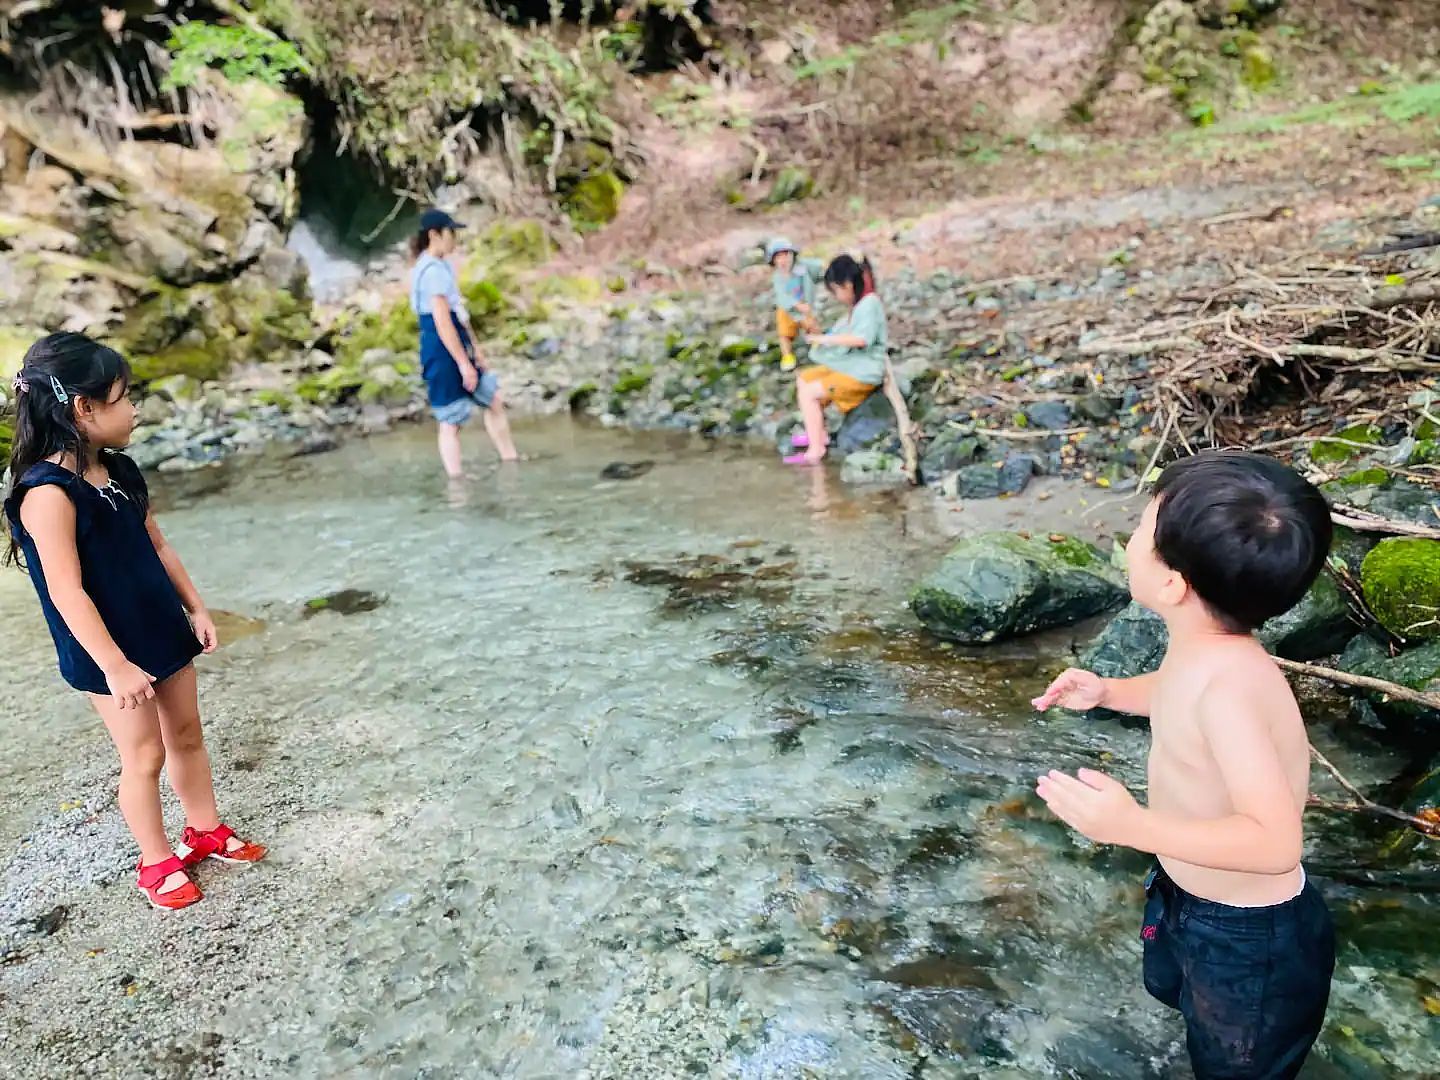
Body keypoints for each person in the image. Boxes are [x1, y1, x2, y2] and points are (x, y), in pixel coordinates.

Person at [1032, 451, 1336, 1079]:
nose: (1129, 540)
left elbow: (1276, 841)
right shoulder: (1203, 648)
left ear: (1173, 584)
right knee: (1181, 999)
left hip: (1249, 939)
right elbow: (1175, 694)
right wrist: (1111, 693)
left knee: (1239, 1063)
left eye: (1141, 531)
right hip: (1188, 895)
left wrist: (1129, 826)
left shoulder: (1232, 688)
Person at [3, 333, 266, 912]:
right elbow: (65, 591)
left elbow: (158, 544)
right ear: (84, 408)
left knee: (188, 736)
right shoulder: (46, 493)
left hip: (158, 625)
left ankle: (204, 829)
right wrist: (116, 667)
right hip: (106, 650)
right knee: (144, 755)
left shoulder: (119, 469)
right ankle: (155, 860)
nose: (135, 409)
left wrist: (195, 607)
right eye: (124, 397)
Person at [410, 207, 519, 478]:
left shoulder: (443, 265)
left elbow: (459, 313)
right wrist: (463, 364)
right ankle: (456, 481)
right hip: (440, 347)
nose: (454, 239)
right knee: (450, 421)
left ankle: (510, 459)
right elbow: (442, 321)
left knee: (492, 398)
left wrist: (476, 352)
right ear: (434, 235)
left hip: (457, 339)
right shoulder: (430, 271)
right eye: (451, 233)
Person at [786, 254, 891, 467]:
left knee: (809, 393)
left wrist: (826, 339)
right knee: (805, 379)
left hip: (864, 373)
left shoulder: (869, 304)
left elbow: (862, 339)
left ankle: (816, 450)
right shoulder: (859, 305)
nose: (837, 297)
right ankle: (818, 434)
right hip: (854, 366)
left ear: (847, 285)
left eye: (836, 291)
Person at [765, 237, 823, 372]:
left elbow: (818, 268)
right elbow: (782, 296)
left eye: (786, 256)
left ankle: (818, 345)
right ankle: (787, 355)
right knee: (784, 333)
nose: (783, 261)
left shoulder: (803, 267)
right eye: (778, 257)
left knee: (812, 325)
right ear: (773, 261)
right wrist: (796, 305)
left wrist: (825, 268)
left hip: (805, 306)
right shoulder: (778, 277)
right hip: (788, 309)